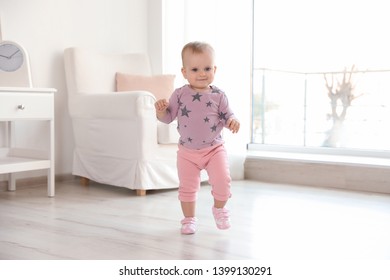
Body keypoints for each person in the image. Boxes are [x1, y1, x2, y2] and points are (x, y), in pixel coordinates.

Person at [154, 41, 240, 234]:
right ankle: (188, 219)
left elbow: (228, 116)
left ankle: (219, 209)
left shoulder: (219, 95)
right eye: (195, 69)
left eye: (207, 68)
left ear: (215, 69)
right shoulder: (180, 94)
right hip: (187, 153)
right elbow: (168, 118)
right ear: (184, 72)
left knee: (223, 181)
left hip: (214, 149)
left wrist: (233, 121)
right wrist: (160, 111)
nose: (202, 73)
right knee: (187, 187)